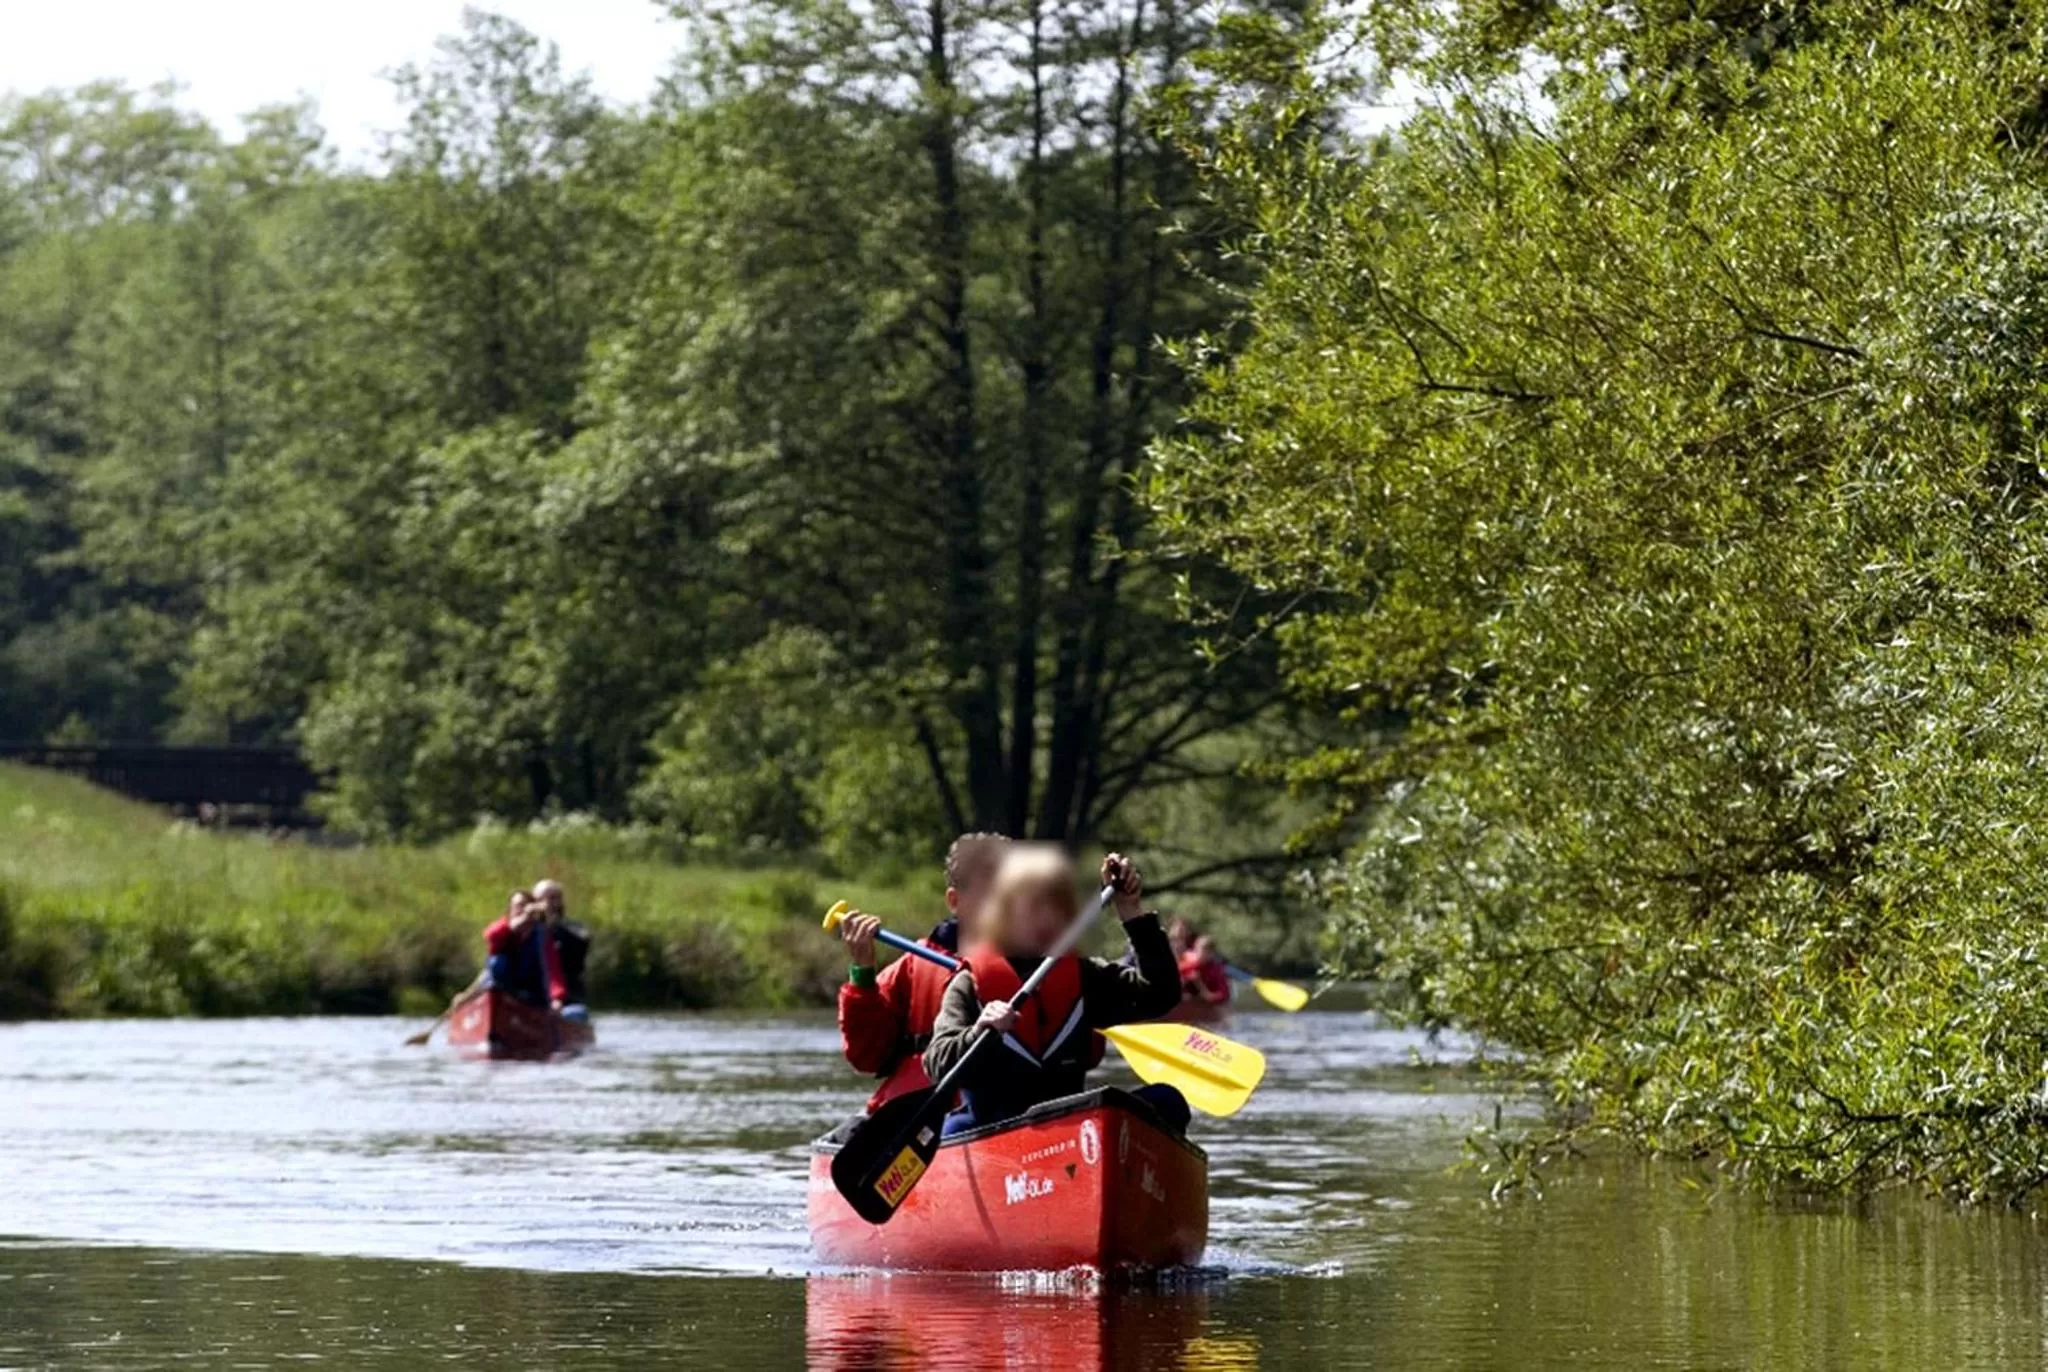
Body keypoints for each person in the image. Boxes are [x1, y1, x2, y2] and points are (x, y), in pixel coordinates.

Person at [923, 846, 1186, 1137]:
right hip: (995, 1128)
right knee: (949, 1131)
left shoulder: (1084, 976)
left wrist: (1132, 913)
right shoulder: (969, 984)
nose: (1045, 918)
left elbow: (1161, 994)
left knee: (1167, 1101)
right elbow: (937, 1064)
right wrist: (979, 1031)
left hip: (1071, 1125)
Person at [836, 833, 1009, 1111]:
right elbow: (867, 1057)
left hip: (1012, 1107)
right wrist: (862, 971)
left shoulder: (1045, 961)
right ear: (955, 901)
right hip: (927, 1113)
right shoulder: (915, 966)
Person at [483, 889, 565, 1010]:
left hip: (532, 997)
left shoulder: (542, 936)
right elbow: (491, 936)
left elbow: (552, 972)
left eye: (525, 906)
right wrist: (524, 918)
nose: (521, 910)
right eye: (517, 906)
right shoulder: (501, 931)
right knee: (497, 961)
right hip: (503, 992)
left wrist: (556, 998)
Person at [533, 878, 591, 1022]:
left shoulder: (574, 930)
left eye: (553, 898)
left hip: (568, 1000)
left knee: (577, 1014)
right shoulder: (528, 931)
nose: (547, 904)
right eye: (541, 899)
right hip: (533, 997)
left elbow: (582, 942)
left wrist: (551, 925)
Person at [1180, 934, 1231, 1008]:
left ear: (1211, 953)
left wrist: (1209, 995)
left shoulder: (1217, 970)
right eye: (1197, 950)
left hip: (1208, 1006)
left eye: (1204, 951)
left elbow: (1224, 994)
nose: (1200, 954)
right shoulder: (1186, 967)